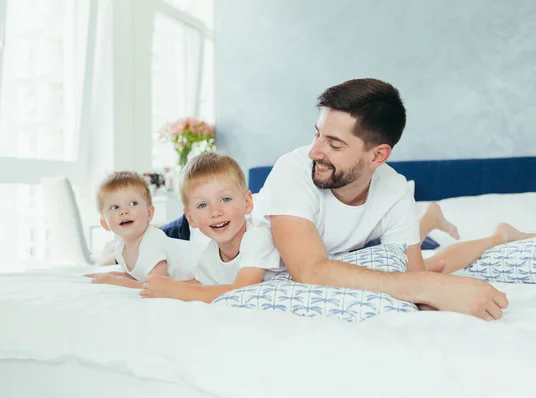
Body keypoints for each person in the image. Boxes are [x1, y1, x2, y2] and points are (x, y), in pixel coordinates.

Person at [252, 78, 509, 320]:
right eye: (316, 134)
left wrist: (438, 291)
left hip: (345, 259)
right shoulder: (292, 170)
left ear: (377, 156)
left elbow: (415, 279)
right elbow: (309, 271)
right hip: (306, 263)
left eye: (334, 144)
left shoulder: (395, 190)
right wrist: (427, 285)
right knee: (426, 277)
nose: (314, 151)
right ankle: (430, 219)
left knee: (433, 268)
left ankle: (497, 237)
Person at [140, 152, 283, 302]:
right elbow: (199, 284)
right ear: (190, 218)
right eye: (203, 205)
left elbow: (241, 291)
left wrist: (173, 290)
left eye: (225, 199)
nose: (215, 212)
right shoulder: (210, 253)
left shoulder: (258, 236)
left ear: (247, 203)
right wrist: (161, 286)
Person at [87, 171, 185, 288]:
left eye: (133, 203)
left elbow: (158, 286)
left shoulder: (153, 243)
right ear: (105, 224)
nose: (124, 211)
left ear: (149, 213)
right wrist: (108, 275)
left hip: (206, 273)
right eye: (115, 207)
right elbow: (138, 276)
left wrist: (117, 281)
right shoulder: (120, 249)